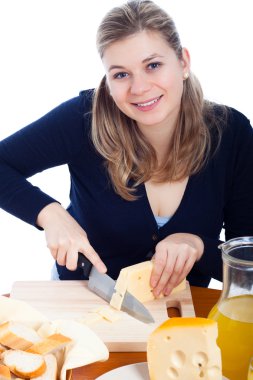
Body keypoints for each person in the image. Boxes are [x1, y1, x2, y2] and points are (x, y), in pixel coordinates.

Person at [0, 0, 253, 296]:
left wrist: (199, 246)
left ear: (183, 62)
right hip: (82, 299)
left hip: (182, 313)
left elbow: (246, 263)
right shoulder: (85, 118)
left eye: (153, 65)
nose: (139, 88)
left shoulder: (230, 132)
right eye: (121, 74)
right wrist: (50, 213)